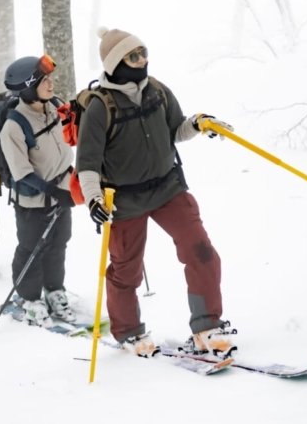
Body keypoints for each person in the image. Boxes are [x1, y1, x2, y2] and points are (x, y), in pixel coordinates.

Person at [75, 27, 237, 358]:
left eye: (143, 52)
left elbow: (176, 128)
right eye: (133, 56)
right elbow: (87, 164)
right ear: (116, 62)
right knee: (126, 270)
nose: (142, 60)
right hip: (124, 200)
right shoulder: (99, 107)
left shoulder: (158, 91)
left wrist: (199, 123)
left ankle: (207, 327)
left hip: (168, 188)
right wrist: (93, 199)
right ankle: (129, 333)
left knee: (201, 252)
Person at [0, 54, 79, 325]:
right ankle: (30, 298)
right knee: (32, 247)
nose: (51, 83)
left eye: (50, 78)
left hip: (64, 188)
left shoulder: (54, 106)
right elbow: (21, 171)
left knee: (59, 243)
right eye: (44, 80)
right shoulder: (13, 126)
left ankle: (55, 290)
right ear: (28, 87)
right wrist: (54, 192)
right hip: (34, 199)